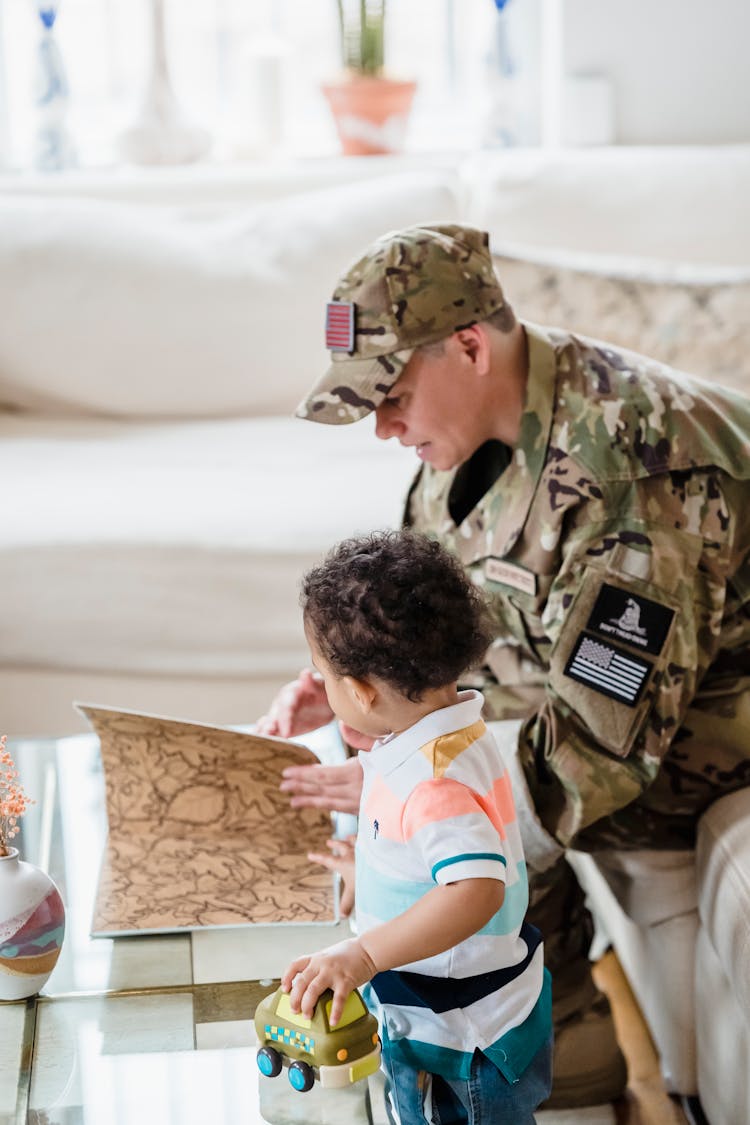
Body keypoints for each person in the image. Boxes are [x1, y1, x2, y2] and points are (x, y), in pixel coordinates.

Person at [257, 222, 750, 1108]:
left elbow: (594, 752)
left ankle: (557, 1035)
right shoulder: (467, 437)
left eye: (393, 394)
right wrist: (348, 703)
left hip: (708, 718)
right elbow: (426, 627)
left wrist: (398, 817)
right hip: (624, 697)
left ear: (471, 346)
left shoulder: (638, 477)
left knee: (475, 814)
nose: (383, 428)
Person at [280, 528, 553, 1125]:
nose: (321, 689)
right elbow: (440, 856)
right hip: (441, 1010)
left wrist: (364, 953)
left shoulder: (432, 782)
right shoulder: (444, 730)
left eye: (322, 676)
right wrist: (373, 872)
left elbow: (475, 888)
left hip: (459, 1035)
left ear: (359, 691)